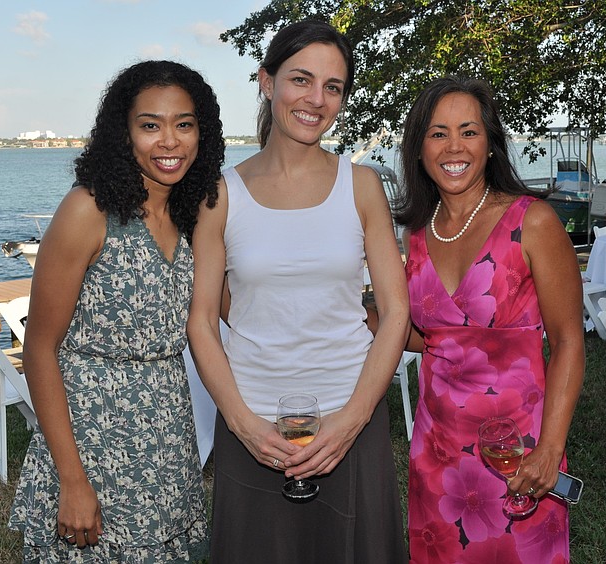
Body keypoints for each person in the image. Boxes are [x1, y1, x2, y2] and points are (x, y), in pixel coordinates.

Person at [187, 19, 410, 563]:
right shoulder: (219, 195)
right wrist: (243, 424)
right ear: (266, 81)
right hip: (255, 426)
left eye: (332, 87)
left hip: (348, 422)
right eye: (301, 79)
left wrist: (352, 420)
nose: (316, 99)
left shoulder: (361, 186)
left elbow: (397, 312)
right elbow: (201, 322)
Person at [8, 60, 225, 561]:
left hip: (169, 440)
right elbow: (40, 349)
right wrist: (72, 478)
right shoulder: (89, 210)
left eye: (184, 124)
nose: (169, 141)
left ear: (202, 133)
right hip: (92, 445)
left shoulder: (195, 215)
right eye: (150, 125)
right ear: (123, 133)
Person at [393, 76, 585, 562]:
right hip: (436, 454)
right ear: (418, 148)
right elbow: (436, 335)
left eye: (468, 131)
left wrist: (549, 450)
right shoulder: (415, 233)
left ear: (491, 145)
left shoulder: (533, 221)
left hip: (518, 454)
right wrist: (363, 319)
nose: (453, 146)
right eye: (437, 133)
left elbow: (568, 341)